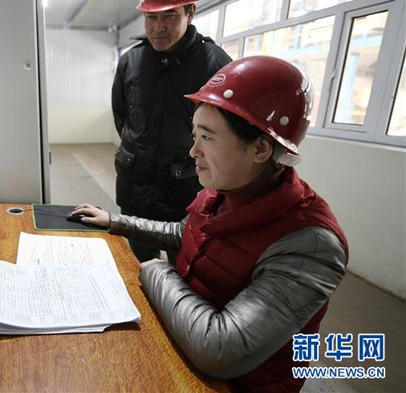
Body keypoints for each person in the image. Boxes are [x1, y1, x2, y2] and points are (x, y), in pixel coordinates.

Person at [74, 56, 349, 393]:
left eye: (207, 137)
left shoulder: (310, 245)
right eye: (194, 135)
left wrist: (156, 270)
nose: (193, 151)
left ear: (261, 148)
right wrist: (117, 222)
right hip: (180, 349)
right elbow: (184, 233)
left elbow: (219, 350)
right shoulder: (222, 189)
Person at [112, 0, 232, 264]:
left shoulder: (215, 65)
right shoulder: (131, 62)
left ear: (190, 12)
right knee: (141, 269)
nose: (158, 27)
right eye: (151, 17)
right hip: (135, 191)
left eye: (169, 15)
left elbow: (227, 134)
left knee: (186, 273)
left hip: (186, 196)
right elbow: (122, 117)